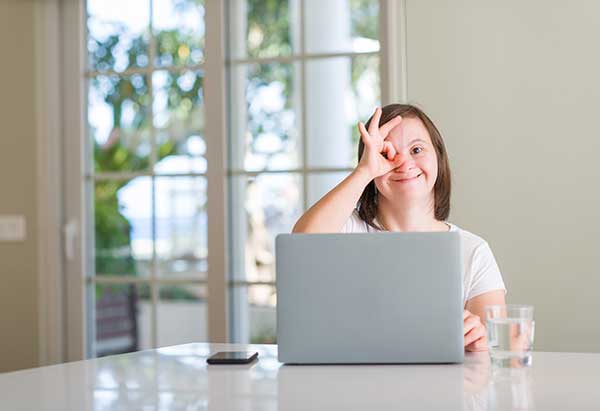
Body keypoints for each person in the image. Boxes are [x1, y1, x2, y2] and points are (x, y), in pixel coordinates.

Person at [293, 104, 506, 352]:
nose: (403, 162)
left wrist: (480, 340)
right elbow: (301, 246)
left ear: (438, 156)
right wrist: (364, 171)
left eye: (417, 149)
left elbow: (497, 345)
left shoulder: (473, 250)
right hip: (353, 384)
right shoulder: (345, 230)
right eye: (386, 153)